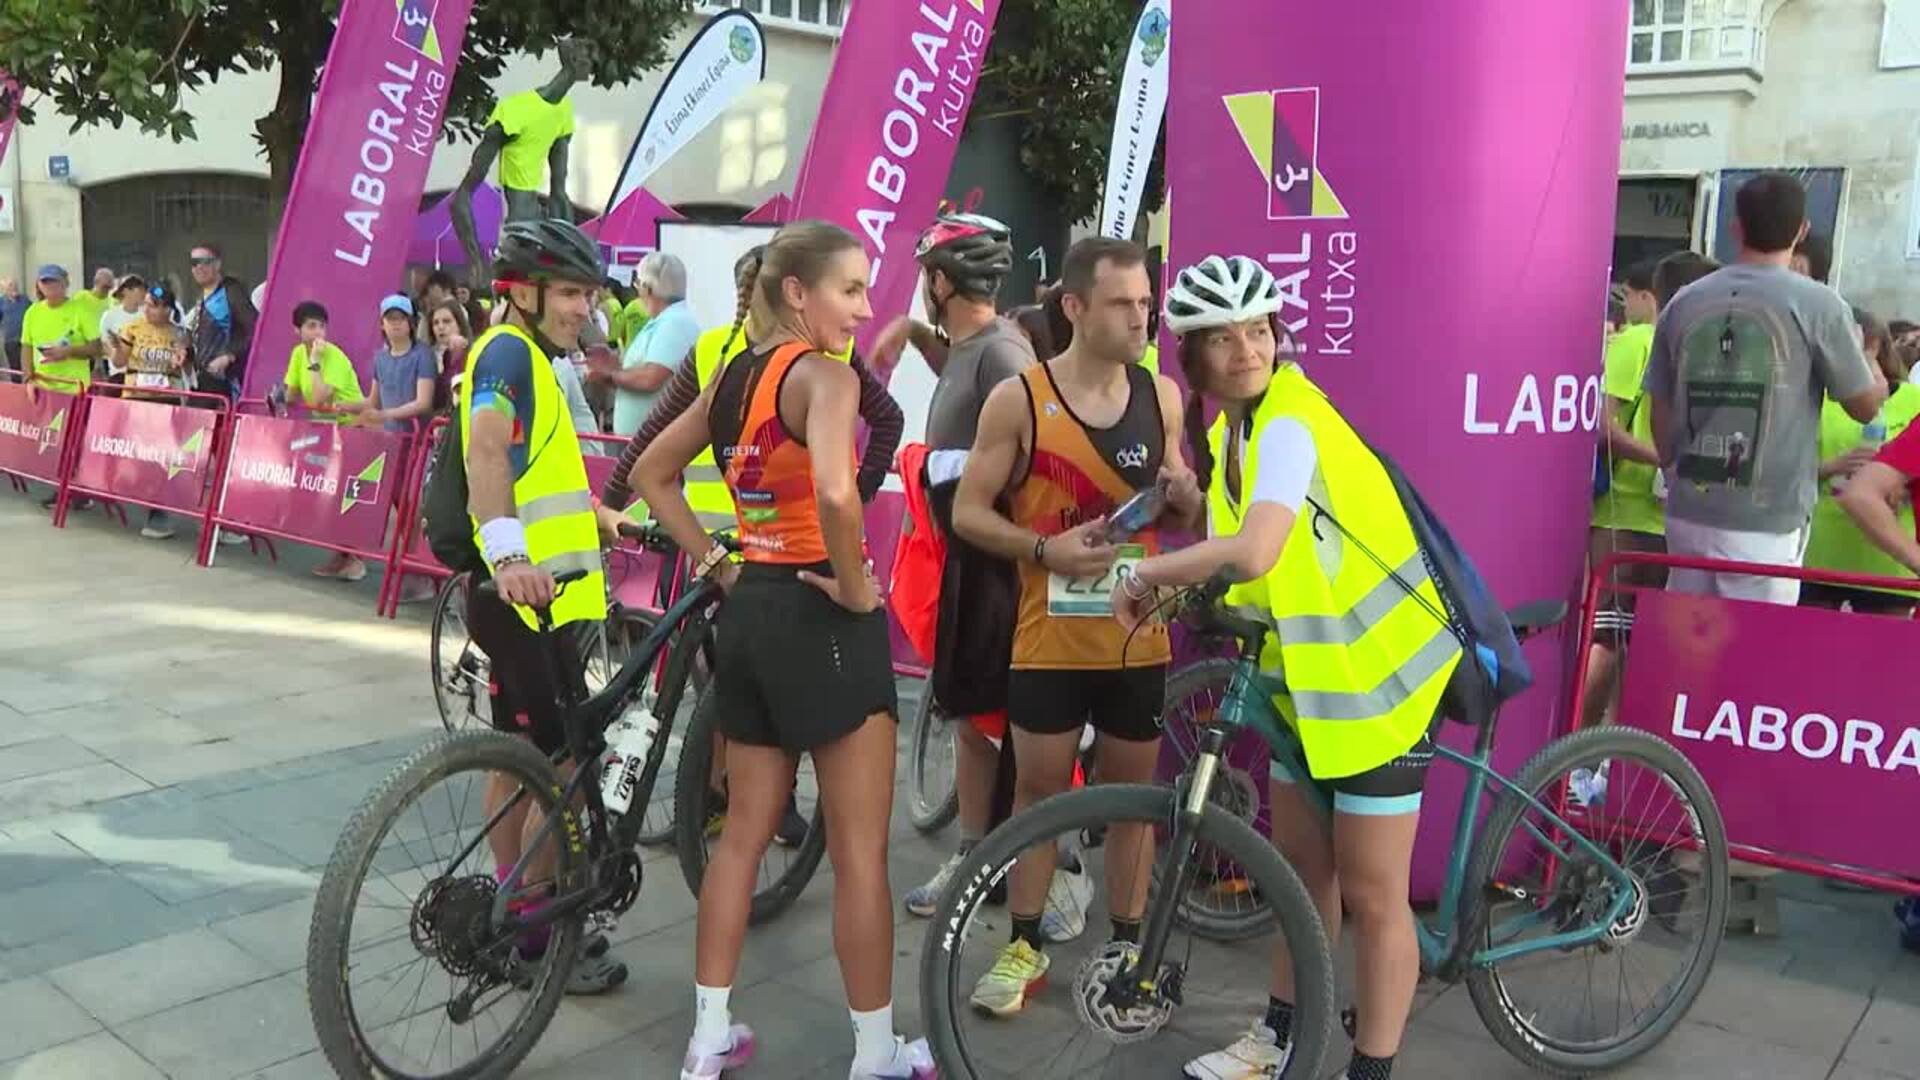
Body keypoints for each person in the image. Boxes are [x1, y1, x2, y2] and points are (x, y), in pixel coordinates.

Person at [1114, 256, 1463, 1080]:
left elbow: (1257, 548)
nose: (1246, 350)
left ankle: (1371, 1070)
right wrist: (1187, 573)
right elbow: (1250, 561)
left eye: (1259, 330)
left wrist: (1147, 573)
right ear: (1194, 357)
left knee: (1374, 895)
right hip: (1311, 681)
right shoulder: (1232, 433)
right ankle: (1275, 1041)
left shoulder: (1291, 421)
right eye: (1223, 338)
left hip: (1381, 682)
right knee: (1302, 879)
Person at [631, 219, 933, 1080]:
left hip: (751, 610)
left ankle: (708, 1038)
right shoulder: (826, 377)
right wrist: (858, 588)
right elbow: (838, 492)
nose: (864, 309)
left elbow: (650, 473)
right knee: (860, 853)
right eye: (850, 290)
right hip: (822, 611)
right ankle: (875, 1052)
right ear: (797, 292)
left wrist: (716, 560)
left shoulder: (733, 376)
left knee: (741, 837)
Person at [949, 236, 1200, 1017]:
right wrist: (1042, 549)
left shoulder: (1160, 395)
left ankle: (1126, 947)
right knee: (1039, 793)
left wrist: (1185, 499)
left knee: (1131, 799)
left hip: (1134, 635)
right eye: (1123, 303)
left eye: (1147, 303)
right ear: (1075, 306)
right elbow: (968, 512)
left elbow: (1181, 510)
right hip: (1048, 637)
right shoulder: (1019, 399)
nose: (1141, 318)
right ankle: (1024, 944)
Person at [462, 217, 633, 995]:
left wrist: (602, 517)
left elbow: (537, 469)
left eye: (587, 294)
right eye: (568, 293)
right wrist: (509, 556)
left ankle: (510, 905)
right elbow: (487, 450)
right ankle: (535, 937)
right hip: (531, 600)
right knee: (561, 772)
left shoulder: (532, 358)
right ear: (522, 291)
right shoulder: (507, 353)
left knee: (520, 761)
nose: (583, 309)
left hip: (536, 597)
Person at [869, 216, 1053, 924]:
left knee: (993, 724)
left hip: (996, 569)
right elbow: (960, 373)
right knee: (975, 719)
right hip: (972, 562)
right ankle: (981, 855)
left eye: (926, 276)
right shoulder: (976, 347)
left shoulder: (1001, 353)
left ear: (941, 282)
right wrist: (916, 336)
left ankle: (1027, 865)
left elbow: (1034, 449)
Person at [1645, 171, 1884, 604]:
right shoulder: (1819, 303)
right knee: (1756, 639)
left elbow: (1660, 403)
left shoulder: (1685, 300)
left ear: (1736, 227)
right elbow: (1865, 407)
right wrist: (1870, 361)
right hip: (1768, 519)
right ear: (1801, 230)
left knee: (1689, 634)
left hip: (1689, 509)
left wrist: (1672, 468)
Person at [1578, 252, 1716, 732]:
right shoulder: (1638, 341)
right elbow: (1602, 424)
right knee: (1608, 637)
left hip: (1679, 521)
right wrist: (1664, 460)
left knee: (1642, 648)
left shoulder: (1708, 350)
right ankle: (1576, 753)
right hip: (1626, 516)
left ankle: (1613, 755)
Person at [1802, 307, 1920, 617]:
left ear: (1877, 348)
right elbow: (1782, 471)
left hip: (1890, 565)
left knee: (1882, 647)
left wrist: (1900, 483)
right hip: (1821, 556)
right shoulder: (1813, 400)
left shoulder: (1913, 400)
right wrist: (1831, 467)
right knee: (1809, 644)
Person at [278, 301, 373, 581]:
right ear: (297, 330)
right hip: (327, 432)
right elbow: (292, 394)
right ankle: (341, 556)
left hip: (353, 429)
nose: (318, 332)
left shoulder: (333, 356)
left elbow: (319, 399)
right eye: (311, 326)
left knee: (345, 497)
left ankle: (355, 560)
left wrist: (316, 361)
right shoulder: (298, 353)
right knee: (329, 496)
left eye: (321, 326)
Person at [113, 282, 193, 539]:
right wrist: (115, 348)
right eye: (146, 305)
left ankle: (159, 512)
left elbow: (188, 366)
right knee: (138, 454)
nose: (147, 310)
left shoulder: (180, 333)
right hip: (136, 397)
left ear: (168, 309)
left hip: (166, 399)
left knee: (160, 457)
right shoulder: (133, 328)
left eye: (154, 306)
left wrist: (183, 357)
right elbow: (119, 361)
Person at [593, 252, 700, 438]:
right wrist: (615, 370)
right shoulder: (666, 321)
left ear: (647, 288)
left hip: (652, 442)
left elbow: (650, 378)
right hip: (644, 438)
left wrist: (611, 374)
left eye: (638, 285)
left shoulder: (674, 323)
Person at [187, 243, 256, 400]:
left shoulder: (231, 291)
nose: (199, 267)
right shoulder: (202, 296)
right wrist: (185, 352)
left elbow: (254, 329)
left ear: (217, 264)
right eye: (194, 263)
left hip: (227, 380)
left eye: (204, 262)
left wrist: (229, 356)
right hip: (203, 379)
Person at [20, 265, 103, 396]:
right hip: (42, 387)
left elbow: (97, 348)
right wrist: (28, 378)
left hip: (74, 388)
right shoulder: (32, 312)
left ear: (65, 283)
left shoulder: (81, 309)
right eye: (45, 282)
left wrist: (68, 351)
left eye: (55, 281)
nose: (50, 286)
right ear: (39, 285)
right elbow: (27, 347)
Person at [99, 274, 149, 386]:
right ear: (126, 291)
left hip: (142, 375)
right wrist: (118, 356)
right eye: (139, 289)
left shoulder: (147, 315)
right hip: (119, 374)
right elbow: (105, 345)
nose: (144, 293)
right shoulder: (110, 316)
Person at [427, 298, 473, 399]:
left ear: (459, 324)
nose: (440, 327)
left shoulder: (472, 353)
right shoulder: (446, 356)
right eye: (435, 323)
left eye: (446, 321)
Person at [1, 277, 30, 373]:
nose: (14, 287)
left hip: (26, 340)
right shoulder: (1, 302)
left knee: (28, 367)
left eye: (15, 285)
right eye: (11, 285)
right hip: (11, 342)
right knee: (15, 369)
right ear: (4, 289)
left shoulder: (25, 300)